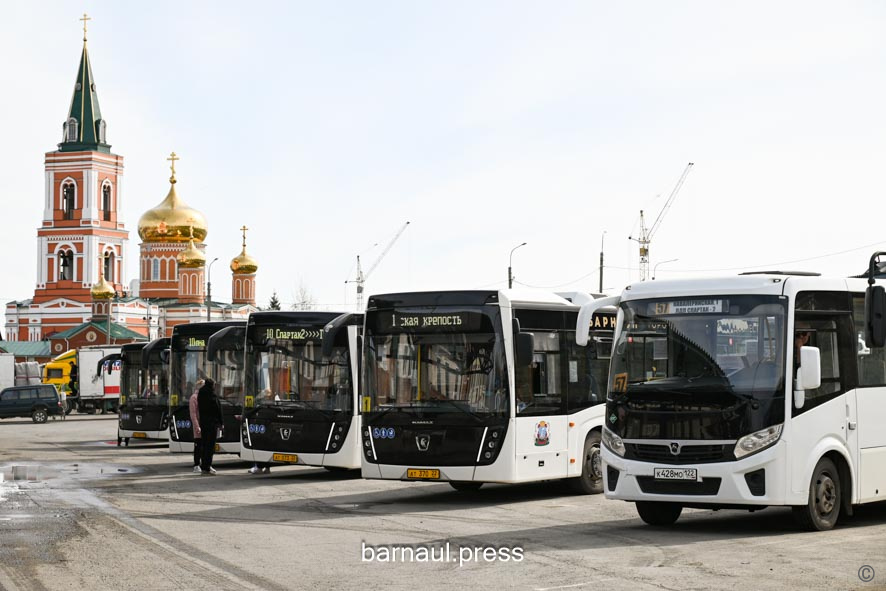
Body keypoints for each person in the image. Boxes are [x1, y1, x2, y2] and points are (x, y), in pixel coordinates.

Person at [197, 378, 223, 475]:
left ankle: (203, 466)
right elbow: (217, 408)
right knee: (210, 446)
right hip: (211, 423)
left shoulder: (201, 393)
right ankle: (207, 467)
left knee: (204, 444)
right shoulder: (211, 394)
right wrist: (221, 422)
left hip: (203, 423)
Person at [188, 379, 205, 473]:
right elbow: (193, 414)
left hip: (205, 425)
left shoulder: (204, 397)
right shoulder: (194, 398)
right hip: (198, 426)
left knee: (204, 446)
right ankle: (196, 464)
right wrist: (197, 426)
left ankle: (204, 464)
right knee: (198, 445)